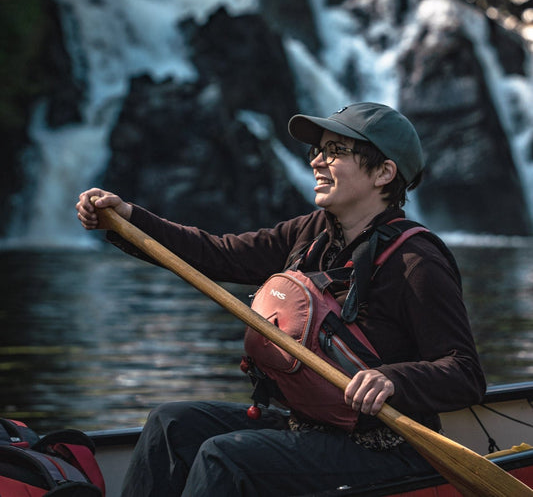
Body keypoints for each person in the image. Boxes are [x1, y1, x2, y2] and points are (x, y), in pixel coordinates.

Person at [76, 102, 486, 497]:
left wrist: (393, 379)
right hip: (309, 427)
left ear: (384, 172)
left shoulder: (417, 260)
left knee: (226, 457)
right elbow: (219, 254)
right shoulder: (312, 233)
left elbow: (464, 373)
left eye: (336, 151)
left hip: (388, 449)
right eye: (317, 150)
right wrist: (130, 220)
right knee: (171, 424)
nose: (317, 162)